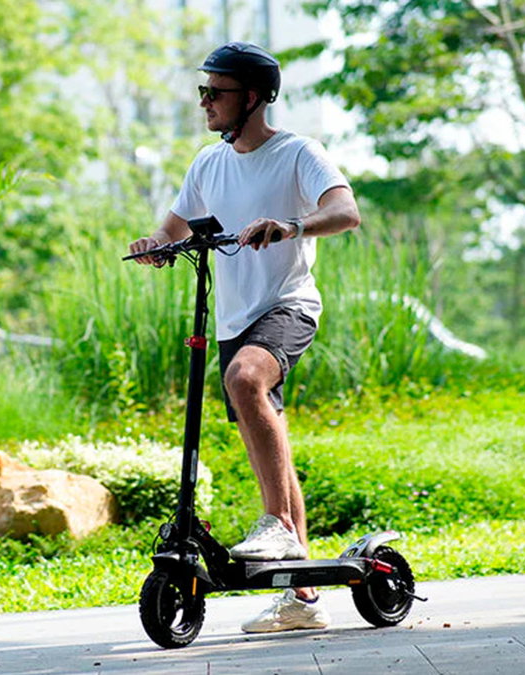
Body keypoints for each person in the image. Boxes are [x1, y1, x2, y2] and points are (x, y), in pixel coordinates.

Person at [129, 42, 361, 633]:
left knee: (244, 378)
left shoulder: (297, 153)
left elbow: (345, 211)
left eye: (217, 92)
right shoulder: (209, 163)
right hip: (234, 320)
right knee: (267, 429)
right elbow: (173, 225)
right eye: (202, 91)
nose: (205, 102)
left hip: (288, 305)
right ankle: (304, 598)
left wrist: (291, 225)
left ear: (253, 97)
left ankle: (278, 527)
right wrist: (155, 245)